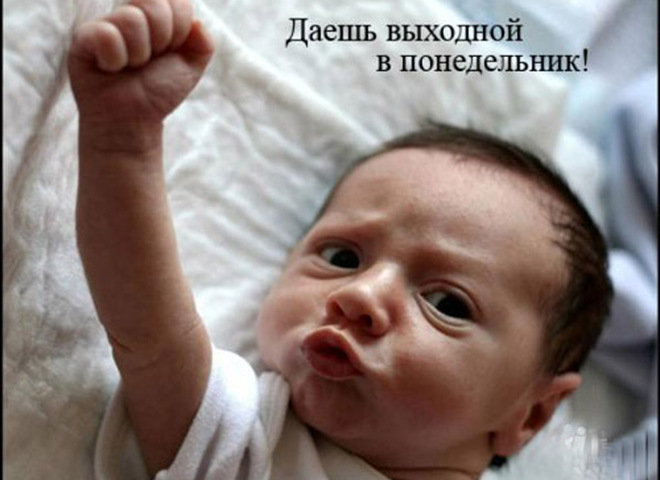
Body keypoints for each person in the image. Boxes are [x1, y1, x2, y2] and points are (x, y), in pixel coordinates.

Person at [68, 1, 613, 479]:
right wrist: (123, 140)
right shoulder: (254, 443)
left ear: (531, 414)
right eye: (341, 257)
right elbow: (152, 331)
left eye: (447, 303)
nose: (360, 295)